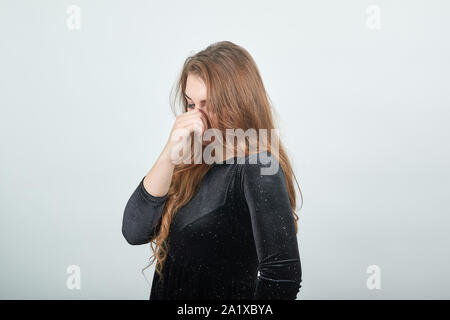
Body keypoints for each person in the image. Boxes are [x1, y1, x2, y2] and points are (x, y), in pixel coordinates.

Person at [122, 41, 302, 300]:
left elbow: (283, 276)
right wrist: (167, 156)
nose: (197, 118)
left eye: (208, 104)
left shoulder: (258, 166)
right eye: (191, 105)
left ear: (238, 103)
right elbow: (134, 231)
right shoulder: (193, 158)